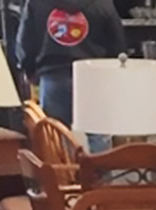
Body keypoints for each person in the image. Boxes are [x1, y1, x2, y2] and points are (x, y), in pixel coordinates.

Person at [15, 0, 124, 129]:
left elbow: (26, 41)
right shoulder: (102, 3)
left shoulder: (36, 3)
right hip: (93, 77)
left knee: (56, 134)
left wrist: (28, 69)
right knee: (97, 133)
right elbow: (117, 44)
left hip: (53, 75)